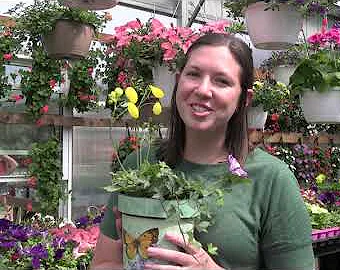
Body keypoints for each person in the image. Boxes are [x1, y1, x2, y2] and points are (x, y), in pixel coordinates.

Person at [91, 33, 314, 269]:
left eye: (222, 81)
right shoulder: (140, 166)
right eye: (193, 74)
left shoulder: (271, 179)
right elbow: (104, 263)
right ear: (178, 82)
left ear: (244, 99)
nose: (203, 89)